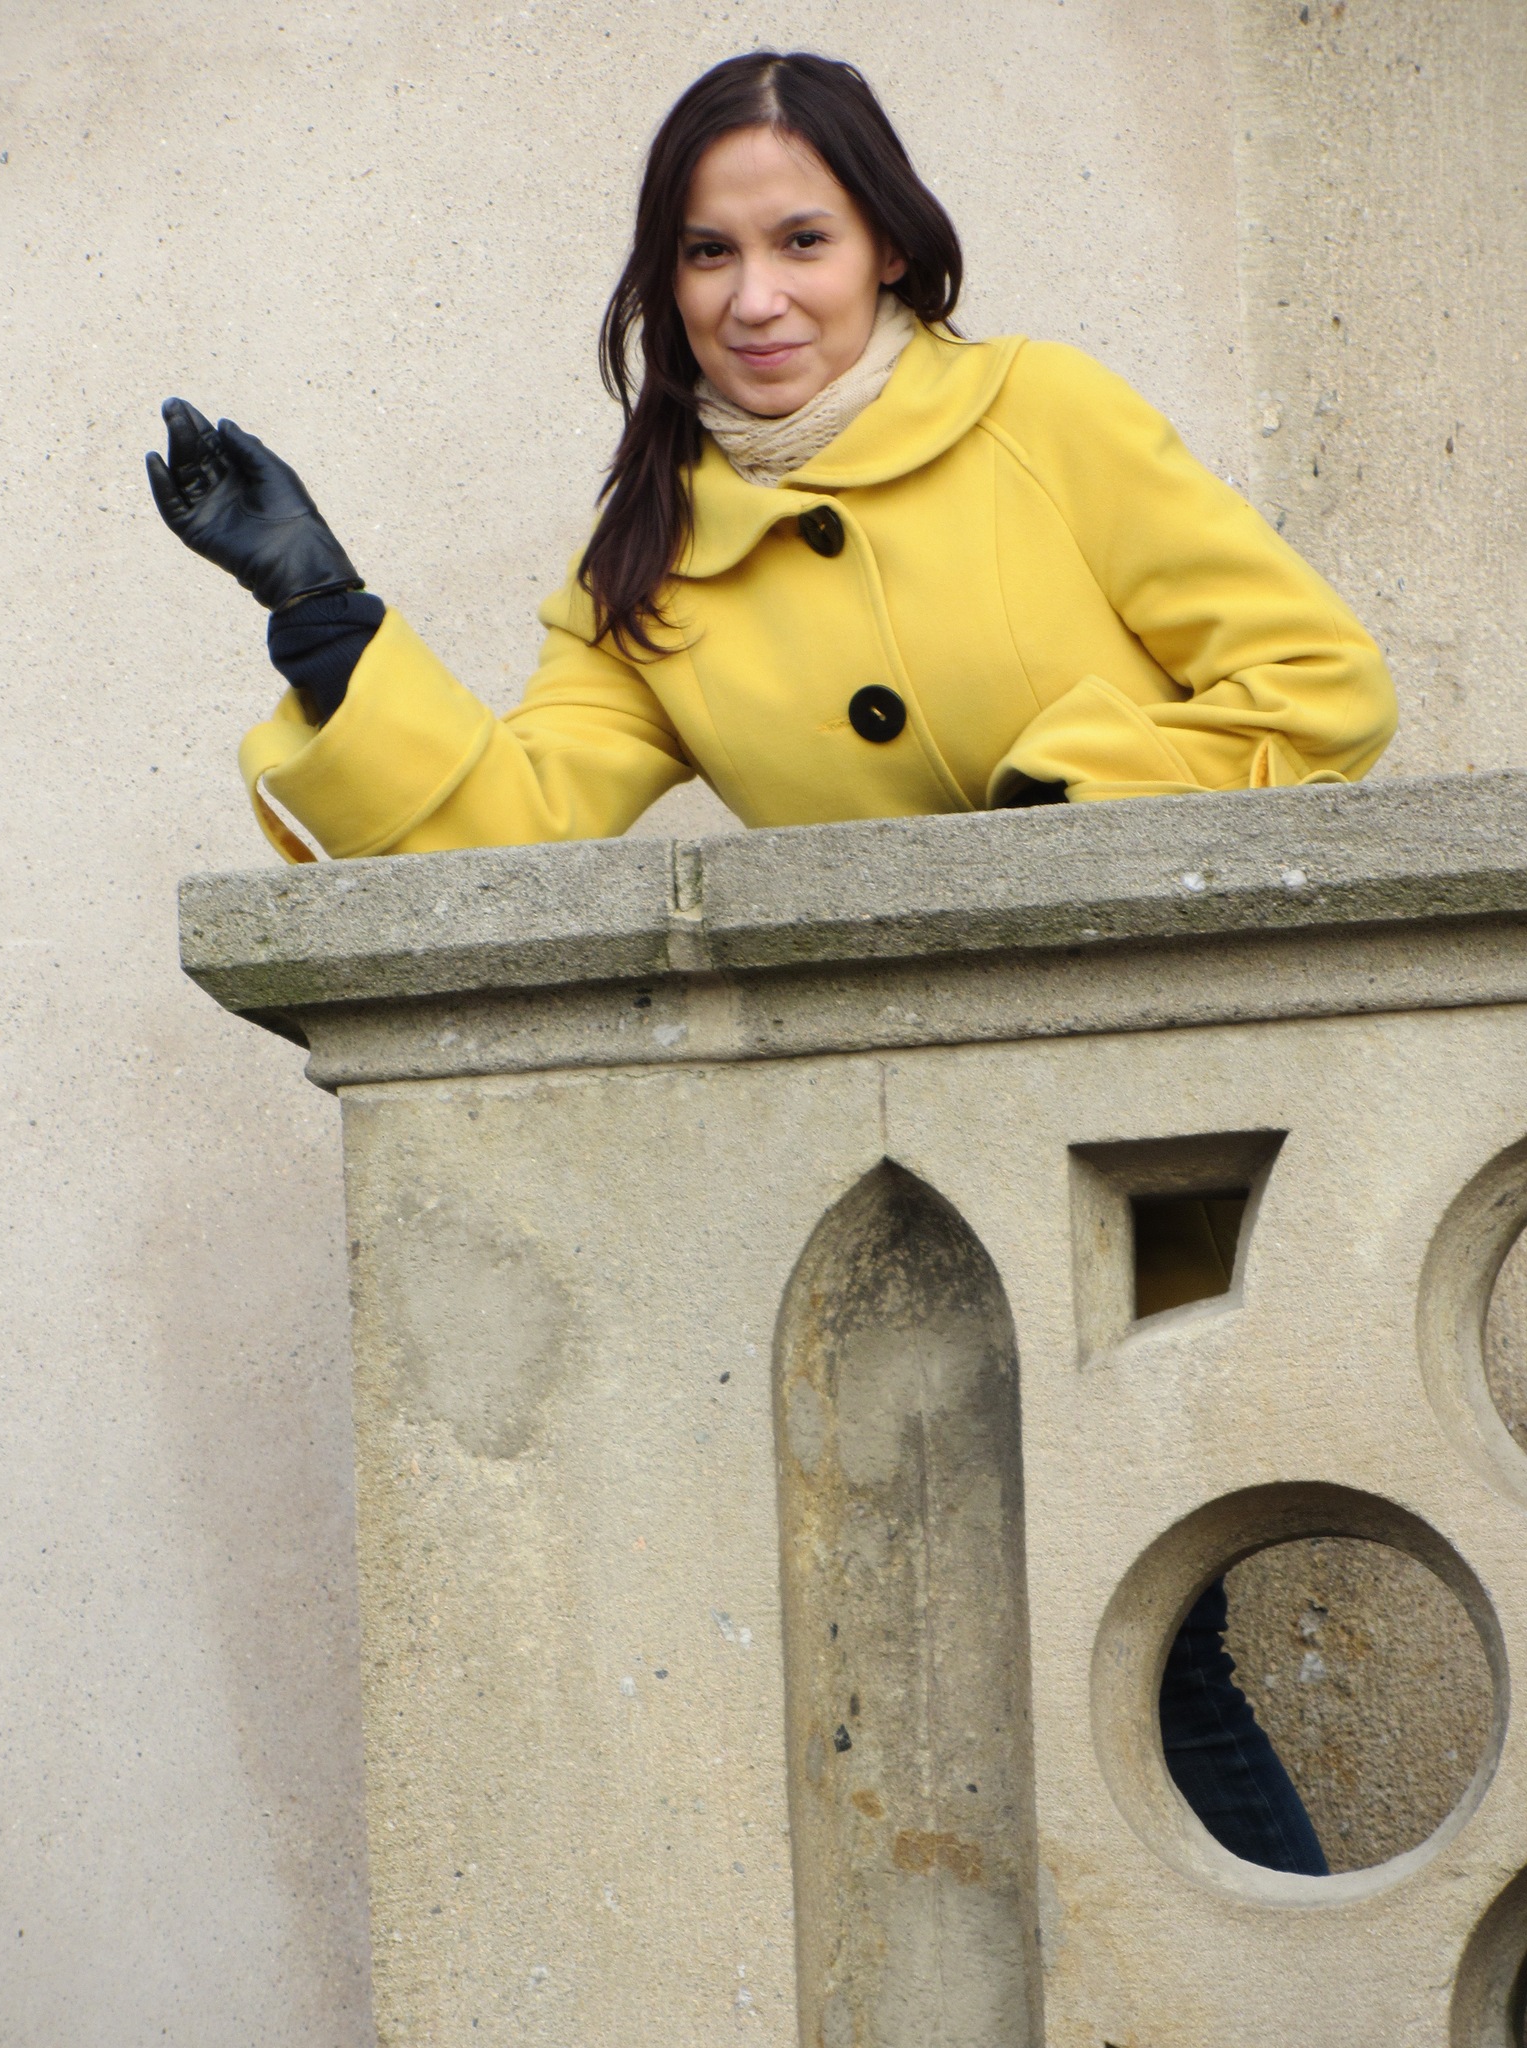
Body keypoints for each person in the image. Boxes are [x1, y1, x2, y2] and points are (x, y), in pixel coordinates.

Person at [148, 49, 1385, 1874]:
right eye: (708, 253)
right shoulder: (655, 552)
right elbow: (509, 837)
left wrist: (1061, 807)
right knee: (970, 1670)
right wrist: (323, 615)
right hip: (903, 1179)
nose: (756, 297)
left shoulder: (1046, 415)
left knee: (1150, 1640)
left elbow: (1315, 689)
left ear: (887, 244)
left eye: (801, 239)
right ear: (663, 283)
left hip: (1149, 1142)